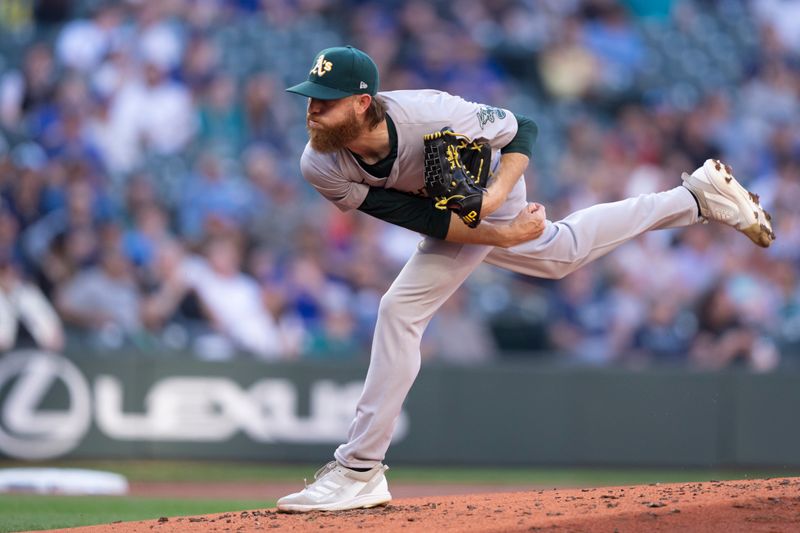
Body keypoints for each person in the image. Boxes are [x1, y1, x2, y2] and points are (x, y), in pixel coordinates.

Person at [277, 45, 774, 512]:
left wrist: (492, 205)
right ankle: (695, 198)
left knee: (400, 310)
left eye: (325, 101)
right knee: (562, 252)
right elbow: (421, 220)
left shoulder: (430, 114)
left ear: (363, 102)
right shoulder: (319, 164)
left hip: (494, 186)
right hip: (455, 214)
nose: (312, 110)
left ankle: (359, 469)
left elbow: (523, 129)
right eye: (310, 99)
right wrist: (502, 234)